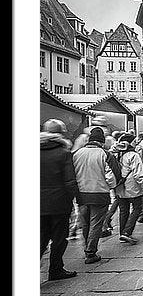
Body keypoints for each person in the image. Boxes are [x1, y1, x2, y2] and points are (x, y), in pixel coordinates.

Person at [73, 127, 121, 263]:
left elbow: (72, 174)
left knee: (85, 223)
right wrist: (111, 186)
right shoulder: (105, 154)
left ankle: (86, 247)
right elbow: (113, 176)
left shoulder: (77, 153)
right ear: (102, 141)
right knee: (96, 223)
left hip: (82, 194)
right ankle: (90, 251)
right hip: (100, 194)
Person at [40, 119, 80, 280]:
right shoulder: (64, 153)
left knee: (40, 236)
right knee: (58, 237)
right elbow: (70, 180)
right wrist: (76, 198)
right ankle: (56, 269)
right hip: (59, 202)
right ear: (61, 134)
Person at [113, 133, 143, 244]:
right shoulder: (133, 155)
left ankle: (122, 233)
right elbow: (138, 174)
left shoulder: (116, 154)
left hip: (119, 185)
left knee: (123, 210)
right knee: (137, 208)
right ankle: (127, 232)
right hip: (132, 185)